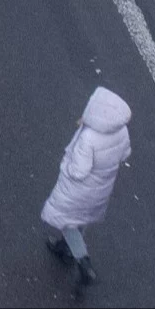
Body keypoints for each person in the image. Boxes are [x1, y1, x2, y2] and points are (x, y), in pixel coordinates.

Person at [41, 87, 131, 291]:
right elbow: (124, 154)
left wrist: (67, 164)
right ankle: (66, 249)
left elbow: (79, 171)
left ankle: (83, 262)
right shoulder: (122, 131)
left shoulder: (88, 138)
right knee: (81, 218)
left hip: (79, 190)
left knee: (67, 222)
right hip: (100, 189)